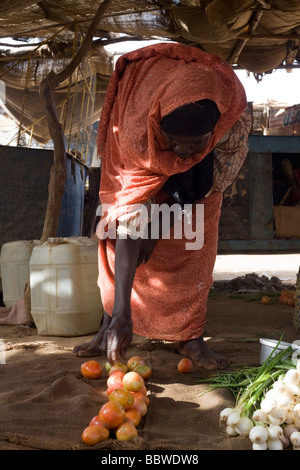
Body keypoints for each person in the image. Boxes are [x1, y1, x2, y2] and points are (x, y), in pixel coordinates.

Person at [74, 42, 252, 369]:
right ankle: (111, 324)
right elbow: (127, 205)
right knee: (118, 238)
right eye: (175, 142)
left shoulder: (231, 121)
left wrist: (157, 228)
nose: (183, 153)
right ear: (159, 126)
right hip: (141, 149)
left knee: (193, 243)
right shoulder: (133, 129)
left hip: (206, 170)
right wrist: (123, 313)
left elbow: (201, 184)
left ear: (212, 133)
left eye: (194, 144)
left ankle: (191, 338)